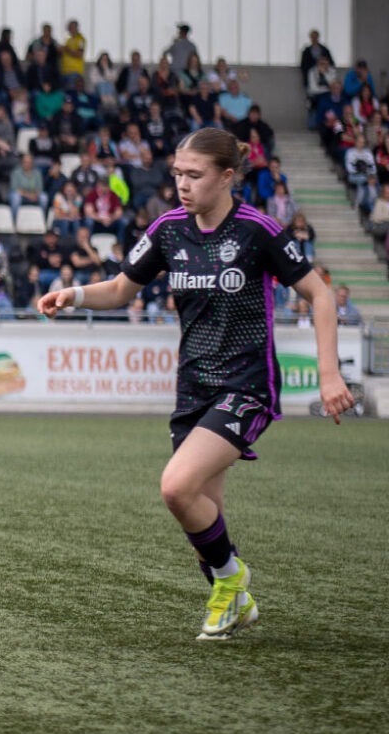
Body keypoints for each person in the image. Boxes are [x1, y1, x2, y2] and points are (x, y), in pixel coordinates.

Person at [37, 128, 354, 640]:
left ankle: (233, 581)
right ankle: (235, 601)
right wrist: (70, 294)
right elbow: (121, 289)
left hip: (246, 385)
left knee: (175, 486)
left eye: (194, 175)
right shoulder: (167, 229)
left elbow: (319, 295)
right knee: (202, 517)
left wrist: (329, 372)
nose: (182, 185)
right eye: (177, 174)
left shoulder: (258, 230)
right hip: (192, 388)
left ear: (227, 176)